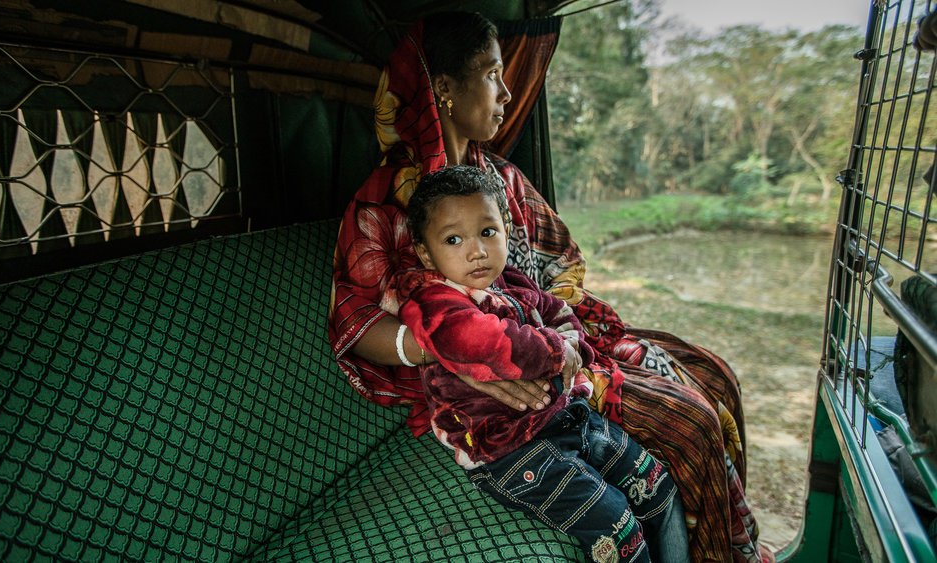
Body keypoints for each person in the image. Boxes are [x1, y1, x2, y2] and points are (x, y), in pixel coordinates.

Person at [328, 10, 769, 563]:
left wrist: (560, 333)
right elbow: (357, 325)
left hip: (559, 341)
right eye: (492, 74)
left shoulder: (502, 179)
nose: (507, 93)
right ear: (442, 88)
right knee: (693, 424)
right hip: (479, 383)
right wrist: (463, 351)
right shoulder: (383, 201)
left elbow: (560, 271)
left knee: (713, 375)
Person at [388, 164, 689, 562]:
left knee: (658, 488)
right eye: (454, 239)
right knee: (620, 530)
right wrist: (557, 351)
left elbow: (560, 311)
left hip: (567, 416)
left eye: (487, 232)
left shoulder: (509, 282)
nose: (476, 250)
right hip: (508, 449)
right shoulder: (434, 304)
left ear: (505, 232)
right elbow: (486, 343)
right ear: (426, 252)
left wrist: (570, 342)